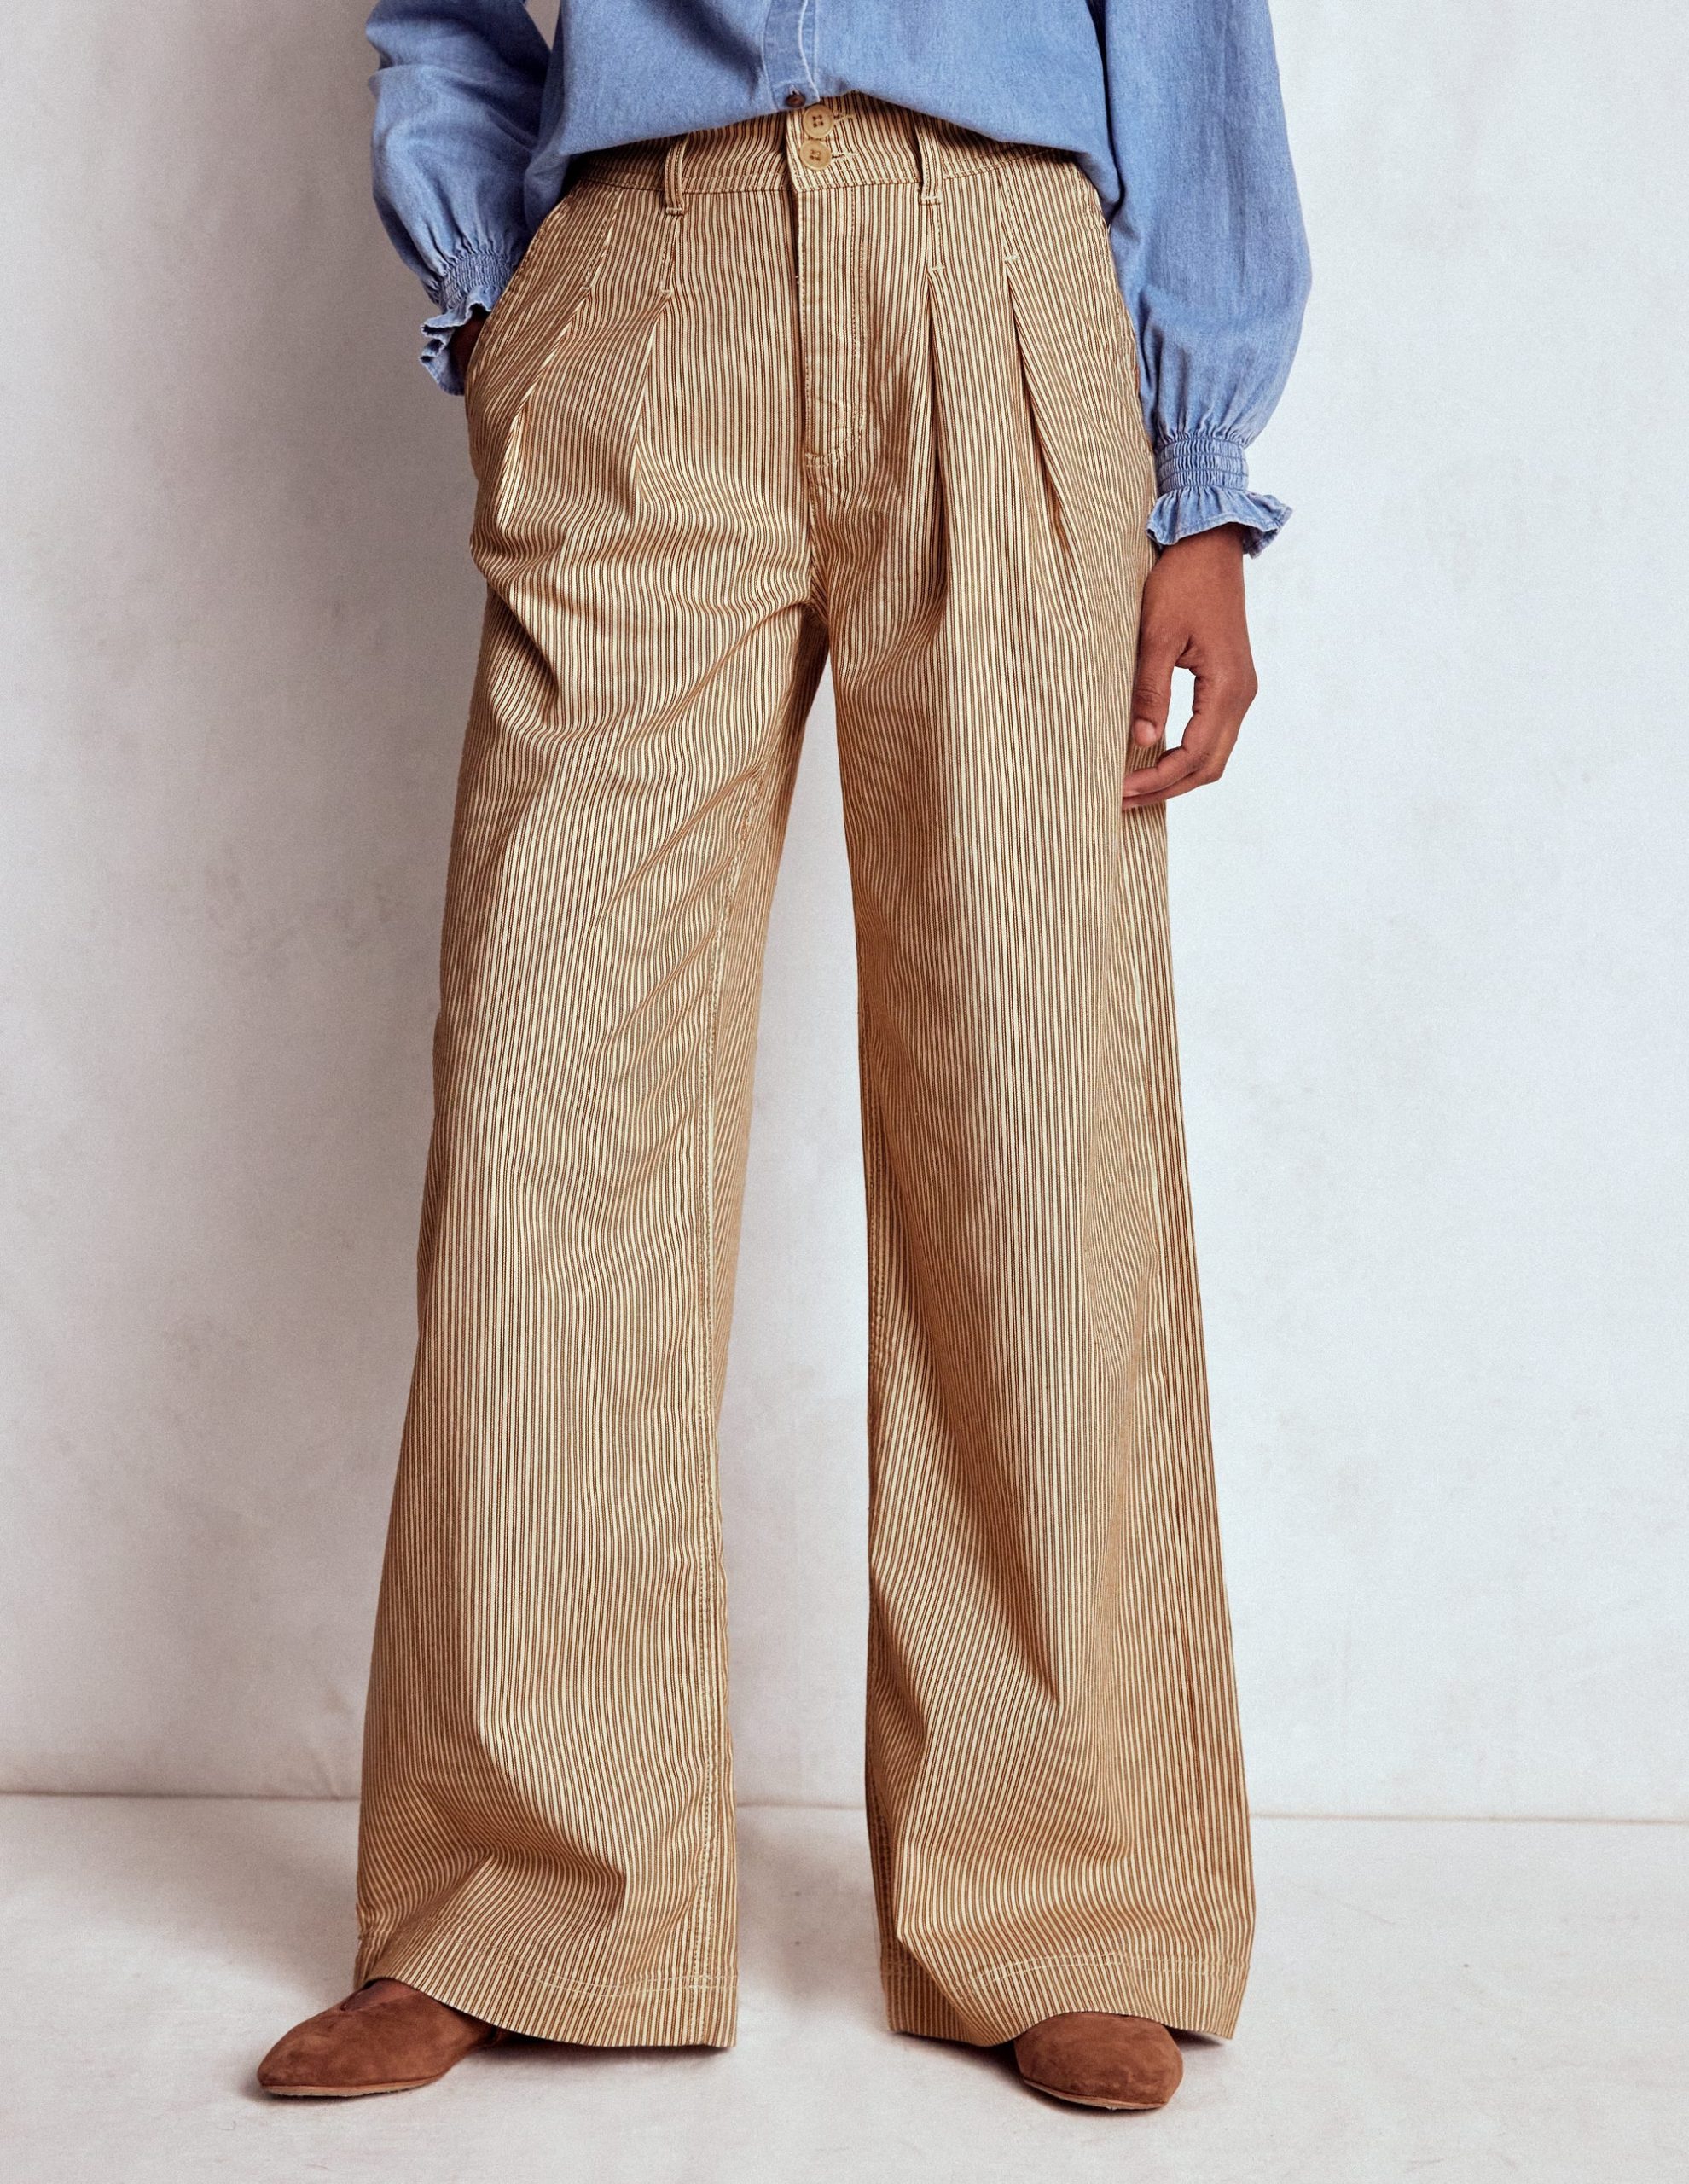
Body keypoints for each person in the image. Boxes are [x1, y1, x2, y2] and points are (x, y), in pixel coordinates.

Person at [257, 0, 1309, 2114]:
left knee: (1031, 1102)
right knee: (555, 1103)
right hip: (650, 271)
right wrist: (506, 295)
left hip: (999, 273)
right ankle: (518, 1887)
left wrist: (1199, 479)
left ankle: (1069, 1895)